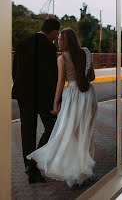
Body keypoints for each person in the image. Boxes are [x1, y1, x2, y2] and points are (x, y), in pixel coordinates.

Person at [27, 28, 98, 187]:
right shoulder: (86, 52)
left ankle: (72, 173)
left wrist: (55, 102)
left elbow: (60, 83)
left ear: (66, 41)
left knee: (67, 133)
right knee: (84, 134)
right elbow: (92, 77)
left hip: (72, 96)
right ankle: (82, 173)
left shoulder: (62, 58)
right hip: (88, 96)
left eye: (60, 39)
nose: (58, 42)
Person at [12, 18, 60, 184]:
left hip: (24, 95)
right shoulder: (49, 47)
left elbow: (15, 71)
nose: (57, 36)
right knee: (52, 127)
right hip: (42, 97)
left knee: (27, 130)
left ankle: (30, 168)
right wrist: (57, 100)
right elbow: (52, 77)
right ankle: (34, 162)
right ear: (53, 31)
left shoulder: (22, 44)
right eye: (57, 33)